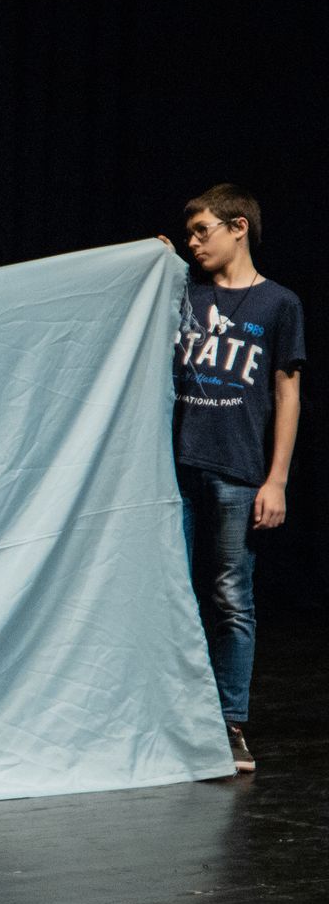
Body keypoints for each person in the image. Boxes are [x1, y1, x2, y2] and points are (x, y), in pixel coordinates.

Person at [170, 185, 305, 774]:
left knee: (230, 597)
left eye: (202, 231)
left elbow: (287, 392)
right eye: (189, 234)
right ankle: (173, 717)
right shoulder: (184, 292)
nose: (193, 243)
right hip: (175, 468)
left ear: (238, 227)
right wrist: (153, 263)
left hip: (239, 472)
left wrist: (276, 479)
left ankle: (228, 724)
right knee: (171, 592)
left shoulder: (279, 304)